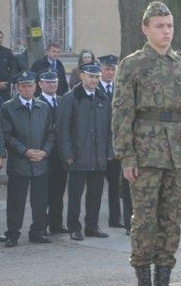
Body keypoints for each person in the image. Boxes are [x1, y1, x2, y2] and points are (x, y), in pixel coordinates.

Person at [111, 1, 181, 286]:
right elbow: (122, 113)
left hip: (178, 151)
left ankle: (164, 284)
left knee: (171, 219)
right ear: (146, 29)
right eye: (160, 26)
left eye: (170, 26)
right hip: (146, 151)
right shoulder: (132, 65)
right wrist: (126, 156)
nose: (166, 32)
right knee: (144, 220)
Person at [57, 63, 112, 241]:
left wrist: (109, 152)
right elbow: (63, 129)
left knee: (95, 194)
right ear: (82, 76)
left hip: (98, 157)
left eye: (96, 77)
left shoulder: (103, 98)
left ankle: (92, 226)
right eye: (90, 76)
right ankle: (74, 227)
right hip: (77, 157)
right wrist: (67, 154)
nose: (94, 80)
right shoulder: (70, 97)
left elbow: (110, 129)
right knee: (75, 195)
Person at [2, 70, 55, 247]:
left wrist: (44, 151)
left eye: (30, 85)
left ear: (35, 87)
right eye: (23, 86)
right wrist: (25, 151)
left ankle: (38, 232)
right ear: (17, 88)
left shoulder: (43, 107)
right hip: (20, 162)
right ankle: (13, 234)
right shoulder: (8, 107)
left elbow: (51, 133)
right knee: (16, 201)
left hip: (41, 161)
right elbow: (7, 136)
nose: (27, 89)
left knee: (40, 201)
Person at [37, 70, 67, 234]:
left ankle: (56, 224)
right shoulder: (37, 102)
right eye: (48, 82)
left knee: (58, 191)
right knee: (43, 193)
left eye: (54, 82)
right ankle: (42, 225)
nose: (52, 85)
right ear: (40, 84)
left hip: (60, 155)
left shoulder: (62, 101)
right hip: (44, 154)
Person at [98, 54, 125, 228]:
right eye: (107, 69)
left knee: (115, 185)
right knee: (96, 186)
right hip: (98, 146)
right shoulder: (95, 88)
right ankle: (92, 221)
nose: (109, 72)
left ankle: (115, 219)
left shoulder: (120, 89)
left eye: (112, 69)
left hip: (115, 145)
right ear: (101, 69)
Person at [0, 30, 20, 103]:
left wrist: (8, 82)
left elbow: (14, 68)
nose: (0, 39)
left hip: (5, 88)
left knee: (5, 109)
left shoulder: (7, 52)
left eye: (1, 38)